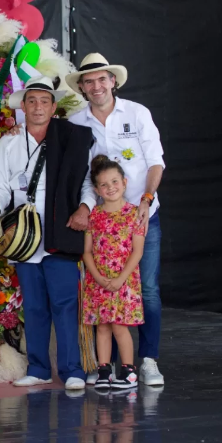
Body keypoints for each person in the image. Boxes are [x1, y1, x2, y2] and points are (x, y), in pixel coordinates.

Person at [0, 76, 93, 390]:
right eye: (32, 100)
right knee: (33, 305)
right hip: (23, 232)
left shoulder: (71, 137)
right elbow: (0, 185)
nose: (38, 106)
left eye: (44, 101)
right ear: (23, 105)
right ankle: (39, 368)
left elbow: (85, 181)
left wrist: (85, 206)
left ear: (54, 106)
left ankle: (73, 370)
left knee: (65, 303)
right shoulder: (9, 141)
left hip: (61, 227)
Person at [65, 53, 166, 387]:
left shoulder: (137, 114)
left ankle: (147, 360)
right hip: (104, 225)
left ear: (113, 81)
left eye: (102, 79)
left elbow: (156, 163)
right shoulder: (77, 122)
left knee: (147, 289)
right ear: (81, 87)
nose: (97, 86)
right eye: (89, 81)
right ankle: (104, 364)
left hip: (140, 217)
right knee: (103, 293)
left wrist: (146, 200)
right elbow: (83, 177)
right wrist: (84, 206)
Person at [82, 155, 145, 390]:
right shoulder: (94, 216)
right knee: (103, 326)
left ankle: (129, 372)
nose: (110, 188)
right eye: (104, 185)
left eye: (115, 182)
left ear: (125, 182)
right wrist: (98, 277)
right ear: (97, 189)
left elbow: (137, 252)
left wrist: (119, 279)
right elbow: (87, 252)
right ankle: (104, 370)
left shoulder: (134, 214)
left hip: (124, 281)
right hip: (98, 280)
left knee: (119, 325)